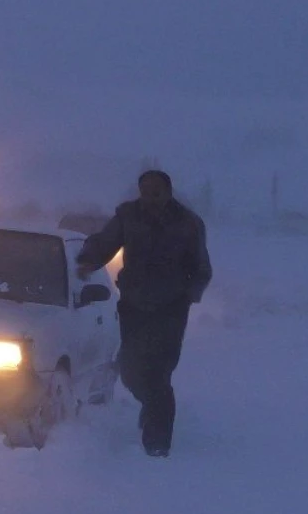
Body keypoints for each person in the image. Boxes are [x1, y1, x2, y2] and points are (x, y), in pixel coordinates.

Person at [75, 170, 212, 457]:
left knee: (159, 372)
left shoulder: (188, 223)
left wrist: (187, 295)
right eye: (145, 191)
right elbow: (105, 241)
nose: (151, 197)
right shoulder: (128, 216)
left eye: (156, 191)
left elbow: (201, 268)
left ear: (168, 191)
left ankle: (158, 442)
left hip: (170, 309)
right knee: (129, 369)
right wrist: (88, 260)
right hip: (134, 305)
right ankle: (151, 407)